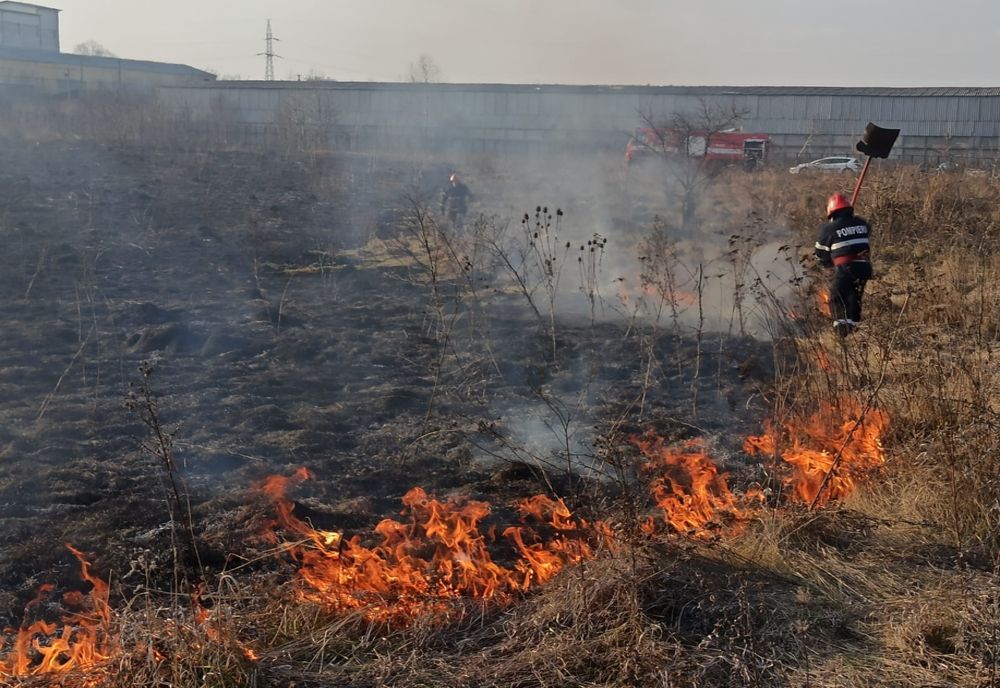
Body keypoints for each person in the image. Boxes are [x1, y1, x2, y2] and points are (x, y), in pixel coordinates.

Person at [814, 192, 873, 337]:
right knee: (854, 298)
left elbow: (820, 254)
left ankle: (841, 333)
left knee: (837, 298)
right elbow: (866, 231)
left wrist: (827, 263)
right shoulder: (862, 223)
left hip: (846, 268)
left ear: (831, 213)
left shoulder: (829, 229)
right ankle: (854, 330)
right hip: (865, 268)